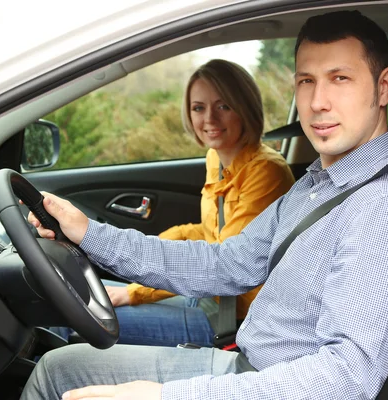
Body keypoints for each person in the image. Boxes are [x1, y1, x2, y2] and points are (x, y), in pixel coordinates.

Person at [22, 10, 388, 400]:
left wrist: (168, 396)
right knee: (59, 369)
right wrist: (88, 233)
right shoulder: (318, 185)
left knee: (57, 373)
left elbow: (344, 378)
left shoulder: (387, 205)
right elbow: (224, 263)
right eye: (307, 81)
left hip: (265, 384)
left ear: (383, 87)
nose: (318, 101)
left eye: (340, 78)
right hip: (245, 368)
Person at [51, 59, 296, 347]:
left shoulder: (265, 172)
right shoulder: (216, 158)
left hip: (237, 320)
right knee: (69, 296)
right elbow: (211, 234)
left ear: (246, 107)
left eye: (224, 106)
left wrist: (135, 291)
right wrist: (140, 265)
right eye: (198, 108)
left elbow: (225, 267)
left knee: (68, 314)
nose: (209, 120)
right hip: (209, 298)